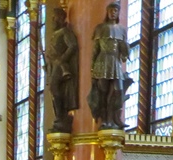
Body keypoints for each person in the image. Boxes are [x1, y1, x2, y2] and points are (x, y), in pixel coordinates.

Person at [88, 2, 132, 130]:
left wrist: (125, 50)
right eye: (111, 10)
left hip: (115, 62)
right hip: (103, 61)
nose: (113, 13)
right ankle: (105, 120)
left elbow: (124, 52)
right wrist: (92, 67)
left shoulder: (122, 30)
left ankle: (115, 118)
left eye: (116, 11)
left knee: (118, 90)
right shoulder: (100, 28)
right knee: (103, 91)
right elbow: (96, 50)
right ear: (107, 12)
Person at [46, 7, 80, 133]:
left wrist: (62, 59)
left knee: (54, 87)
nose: (52, 20)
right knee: (53, 89)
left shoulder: (65, 32)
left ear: (60, 18)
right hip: (53, 65)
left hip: (60, 65)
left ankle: (61, 116)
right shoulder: (55, 34)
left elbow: (72, 46)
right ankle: (58, 116)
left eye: (54, 17)